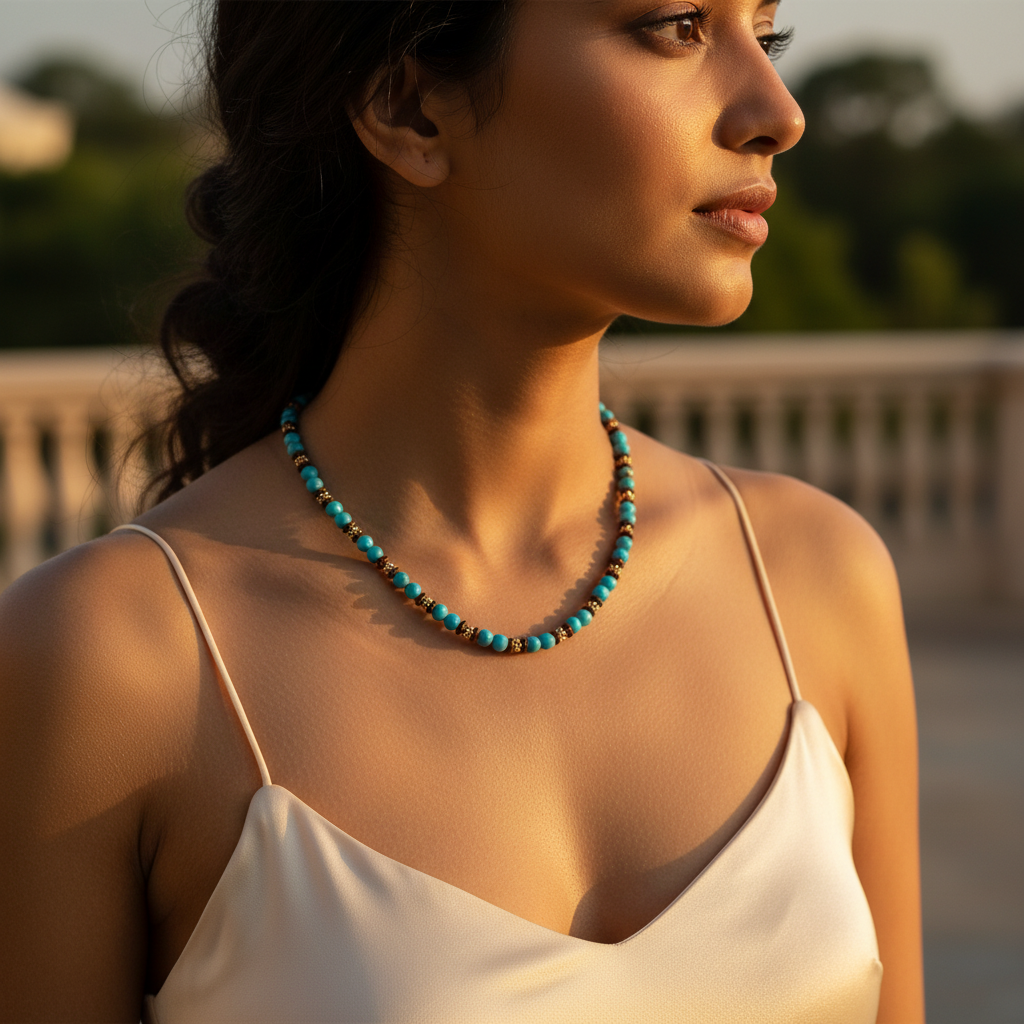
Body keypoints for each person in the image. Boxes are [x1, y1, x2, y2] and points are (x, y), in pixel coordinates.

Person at [0, 1, 924, 1021]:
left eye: (766, 31)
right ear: (410, 108)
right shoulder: (112, 657)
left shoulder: (815, 581)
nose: (778, 111)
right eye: (676, 26)